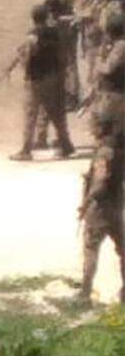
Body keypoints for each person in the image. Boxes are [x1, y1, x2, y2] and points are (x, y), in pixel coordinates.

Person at [7, 5, 75, 161]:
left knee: (30, 114)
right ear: (46, 17)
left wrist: (22, 67)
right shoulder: (55, 33)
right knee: (56, 113)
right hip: (52, 76)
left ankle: (25, 150)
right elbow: (61, 54)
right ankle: (66, 145)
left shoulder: (33, 35)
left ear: (33, 18)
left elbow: (27, 55)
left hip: (36, 79)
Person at [77, 112, 125, 305]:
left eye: (94, 125)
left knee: (91, 250)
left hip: (100, 209)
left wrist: (85, 204)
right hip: (116, 207)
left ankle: (84, 294)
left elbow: (100, 182)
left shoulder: (104, 152)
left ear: (101, 128)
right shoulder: (119, 149)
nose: (91, 129)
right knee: (122, 249)